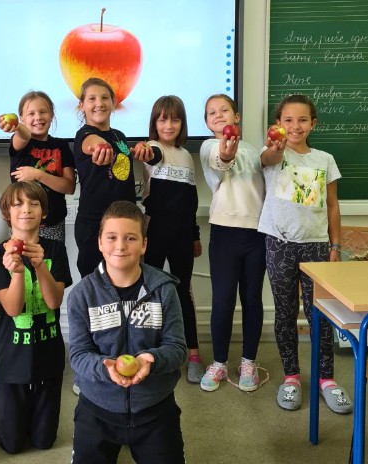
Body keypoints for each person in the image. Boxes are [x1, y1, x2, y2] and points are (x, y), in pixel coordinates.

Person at [67, 200, 192, 464]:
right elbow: (78, 355)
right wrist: (105, 367)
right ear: (99, 242)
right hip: (99, 409)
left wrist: (152, 359)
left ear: (144, 244)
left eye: (130, 237)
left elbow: (177, 348)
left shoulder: (164, 290)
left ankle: (148, 449)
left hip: (153, 409)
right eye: (111, 237)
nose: (120, 246)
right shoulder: (82, 294)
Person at [259, 94, 351, 413]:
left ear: (313, 124)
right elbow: (268, 158)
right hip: (279, 244)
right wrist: (275, 146)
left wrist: (335, 246)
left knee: (319, 314)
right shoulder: (273, 152)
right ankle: (292, 377)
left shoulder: (324, 159)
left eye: (302, 120)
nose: (295, 126)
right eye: (288, 120)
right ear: (278, 124)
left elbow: (333, 205)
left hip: (316, 246)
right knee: (285, 313)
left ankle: (326, 379)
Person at [0, 182, 72, 454]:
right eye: (18, 204)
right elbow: (13, 309)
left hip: (48, 357)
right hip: (12, 359)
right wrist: (16, 272)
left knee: (44, 442)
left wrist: (40, 266)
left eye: (34, 204)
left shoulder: (55, 249)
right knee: (12, 444)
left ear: (43, 212)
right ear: (7, 213)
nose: (26, 210)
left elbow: (54, 302)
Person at [199, 94, 267, 392]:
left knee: (252, 299)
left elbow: (269, 164)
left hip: (257, 233)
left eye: (224, 110)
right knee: (223, 300)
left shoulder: (254, 151)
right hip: (224, 233)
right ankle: (219, 362)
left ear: (236, 116)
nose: (218, 115)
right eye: (211, 112)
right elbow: (221, 161)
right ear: (206, 123)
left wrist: (273, 151)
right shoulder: (209, 146)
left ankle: (248, 361)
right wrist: (227, 152)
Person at [141, 95, 203, 383]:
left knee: (182, 293)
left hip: (182, 236)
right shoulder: (153, 148)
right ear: (154, 123)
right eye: (163, 119)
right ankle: (152, 353)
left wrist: (195, 235)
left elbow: (191, 202)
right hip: (154, 234)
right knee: (151, 293)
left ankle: (193, 354)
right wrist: (143, 151)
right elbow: (151, 155)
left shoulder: (187, 156)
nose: (169, 125)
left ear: (182, 123)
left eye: (175, 119)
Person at [73, 77, 153, 278]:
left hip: (125, 221)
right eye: (92, 99)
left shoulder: (119, 135)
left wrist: (139, 149)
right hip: (95, 223)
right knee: (95, 282)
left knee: (128, 280)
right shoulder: (84, 134)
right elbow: (91, 142)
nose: (99, 103)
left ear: (113, 103)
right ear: (82, 105)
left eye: (104, 98)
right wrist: (100, 148)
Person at [0, 90, 76, 242]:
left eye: (43, 112)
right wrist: (16, 126)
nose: (38, 117)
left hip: (53, 224)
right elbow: (24, 135)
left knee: (52, 258)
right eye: (31, 114)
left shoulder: (61, 146)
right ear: (22, 118)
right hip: (22, 223)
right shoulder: (22, 142)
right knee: (22, 258)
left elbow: (69, 187)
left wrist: (38, 175)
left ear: (51, 115)